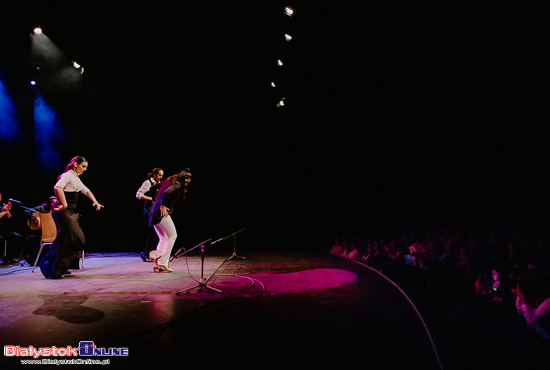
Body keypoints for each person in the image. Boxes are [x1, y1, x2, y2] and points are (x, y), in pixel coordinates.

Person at [39, 156, 104, 279]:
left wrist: (95, 202)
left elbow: (86, 191)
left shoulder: (75, 178)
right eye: (83, 166)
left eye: (86, 167)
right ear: (75, 165)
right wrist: (64, 203)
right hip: (62, 211)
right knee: (67, 240)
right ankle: (53, 270)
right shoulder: (67, 175)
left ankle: (61, 267)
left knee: (77, 239)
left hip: (68, 212)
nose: (85, 169)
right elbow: (57, 187)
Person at [148, 169, 191, 273]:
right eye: (185, 182)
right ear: (182, 179)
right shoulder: (177, 184)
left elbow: (152, 188)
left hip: (153, 212)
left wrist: (155, 201)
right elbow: (167, 193)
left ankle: (157, 263)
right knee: (173, 235)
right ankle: (163, 263)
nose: (186, 184)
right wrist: (162, 205)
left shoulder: (168, 181)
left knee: (163, 238)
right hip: (161, 213)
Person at [135, 168, 164, 262]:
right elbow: (138, 195)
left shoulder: (158, 183)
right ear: (154, 174)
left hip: (155, 210)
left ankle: (149, 253)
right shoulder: (148, 183)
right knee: (153, 232)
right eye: (159, 175)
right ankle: (146, 254)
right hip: (149, 210)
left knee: (156, 233)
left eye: (162, 175)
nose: (161, 177)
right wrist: (151, 199)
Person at [0, 190, 21, 263]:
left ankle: (9, 256)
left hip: (1, 229)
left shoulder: (0, 207)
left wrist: (8, 210)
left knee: (15, 236)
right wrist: (4, 212)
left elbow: (9, 217)